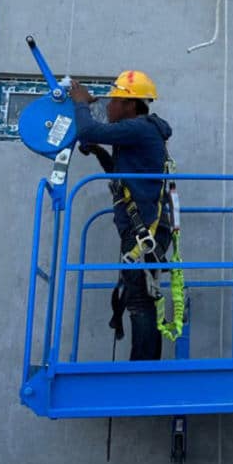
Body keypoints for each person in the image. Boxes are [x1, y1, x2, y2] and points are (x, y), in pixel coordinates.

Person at [69, 71, 173, 361]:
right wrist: (101, 152)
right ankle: (145, 365)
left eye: (114, 101)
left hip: (144, 229)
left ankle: (141, 368)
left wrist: (81, 102)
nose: (109, 107)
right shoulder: (136, 134)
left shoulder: (138, 128)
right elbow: (119, 177)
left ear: (130, 104)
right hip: (145, 228)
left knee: (140, 300)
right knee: (143, 297)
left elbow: (88, 130)